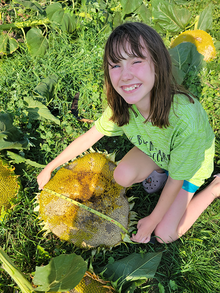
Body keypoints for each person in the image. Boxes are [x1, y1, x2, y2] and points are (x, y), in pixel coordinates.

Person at [37, 22, 220, 244]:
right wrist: (50, 167)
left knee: (165, 234)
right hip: (158, 151)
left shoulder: (185, 120)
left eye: (136, 62)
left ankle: (214, 188)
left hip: (189, 168)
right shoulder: (122, 106)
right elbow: (91, 136)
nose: (125, 75)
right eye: (115, 65)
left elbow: (177, 179)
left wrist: (152, 220)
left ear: (158, 65)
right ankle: (160, 167)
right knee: (121, 176)